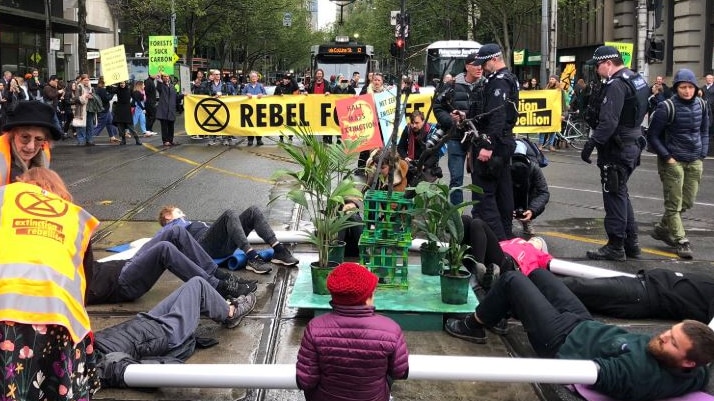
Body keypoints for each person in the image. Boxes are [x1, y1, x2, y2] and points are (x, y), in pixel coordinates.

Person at [445, 268, 714, 401]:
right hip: (585, 324)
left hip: (561, 340)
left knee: (512, 279)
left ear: (687, 361)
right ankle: (500, 310)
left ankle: (473, 325)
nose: (664, 336)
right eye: (670, 331)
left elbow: (597, 377)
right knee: (539, 274)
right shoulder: (697, 371)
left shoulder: (638, 372)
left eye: (672, 342)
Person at [0, 167, 100, 401]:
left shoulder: (5, 196)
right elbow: (86, 278)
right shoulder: (75, 216)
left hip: (6, 306)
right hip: (60, 315)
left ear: (24, 183)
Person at [93, 277, 257, 388]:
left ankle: (219, 305)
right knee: (197, 284)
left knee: (192, 285)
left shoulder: (74, 349)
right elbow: (126, 371)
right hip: (158, 334)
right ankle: (230, 313)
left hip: (144, 322)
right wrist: (175, 369)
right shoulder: (95, 366)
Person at [296, 262, 409, 401]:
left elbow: (306, 380)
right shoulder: (391, 330)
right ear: (367, 299)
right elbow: (400, 372)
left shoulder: (315, 328)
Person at [580, 45, 649, 261]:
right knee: (621, 193)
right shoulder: (635, 78)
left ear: (608, 63)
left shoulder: (616, 84)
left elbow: (609, 120)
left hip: (617, 148)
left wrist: (592, 142)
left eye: (598, 66)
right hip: (632, 143)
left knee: (613, 195)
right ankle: (632, 243)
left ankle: (616, 245)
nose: (597, 71)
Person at [86, 224, 256, 306]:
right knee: (164, 249)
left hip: (122, 266)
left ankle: (219, 274)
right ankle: (219, 287)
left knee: (175, 231)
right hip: (121, 283)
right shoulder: (65, 285)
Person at [646, 68, 709, 259]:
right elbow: (652, 136)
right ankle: (681, 240)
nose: (687, 91)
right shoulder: (666, 107)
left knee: (687, 202)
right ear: (676, 88)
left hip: (695, 159)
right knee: (674, 204)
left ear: (695, 88)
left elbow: (705, 130)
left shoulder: (702, 105)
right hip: (673, 162)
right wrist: (668, 158)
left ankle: (662, 229)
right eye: (683, 87)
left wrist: (702, 153)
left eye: (690, 87)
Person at [462, 43, 520, 240]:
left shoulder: (498, 82)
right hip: (502, 143)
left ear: (494, 60)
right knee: (503, 194)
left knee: (484, 198)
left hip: (492, 144)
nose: (482, 67)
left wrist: (487, 146)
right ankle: (507, 240)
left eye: (484, 63)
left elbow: (497, 115)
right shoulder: (505, 78)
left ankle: (498, 243)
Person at [158, 205, 299, 274]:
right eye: (178, 211)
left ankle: (278, 250)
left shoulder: (187, 223)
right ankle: (252, 257)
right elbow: (158, 243)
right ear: (168, 216)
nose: (183, 214)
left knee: (253, 211)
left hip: (218, 243)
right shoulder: (171, 227)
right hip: (203, 246)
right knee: (229, 214)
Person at [433, 53, 483, 206]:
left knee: (479, 181)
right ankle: (457, 219)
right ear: (467, 66)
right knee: (456, 180)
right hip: (456, 138)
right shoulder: (452, 86)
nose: (480, 68)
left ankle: (478, 218)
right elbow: (437, 106)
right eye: (476, 64)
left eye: (481, 65)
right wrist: (451, 121)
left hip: (478, 140)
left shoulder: (486, 85)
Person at [461, 215, 551, 291]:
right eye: (535, 239)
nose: (534, 240)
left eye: (538, 241)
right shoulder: (515, 241)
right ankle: (478, 270)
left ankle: (477, 273)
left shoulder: (539, 254)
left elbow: (554, 265)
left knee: (477, 223)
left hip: (509, 264)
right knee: (465, 220)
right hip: (491, 255)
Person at [0, 100, 62, 184]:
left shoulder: (43, 156)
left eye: (39, 139)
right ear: (12, 134)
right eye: (25, 137)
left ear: (45, 140)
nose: (31, 146)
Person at [511, 139, 550, 236]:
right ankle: (505, 222)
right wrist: (505, 208)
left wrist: (532, 210)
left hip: (527, 193)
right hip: (508, 191)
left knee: (534, 198)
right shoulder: (501, 167)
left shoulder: (534, 168)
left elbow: (544, 192)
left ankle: (526, 220)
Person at [397, 110, 442, 184]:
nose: (414, 125)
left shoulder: (433, 131)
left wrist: (424, 165)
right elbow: (400, 147)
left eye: (417, 123)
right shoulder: (408, 129)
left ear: (423, 121)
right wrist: (405, 157)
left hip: (427, 166)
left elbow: (436, 155)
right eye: (412, 123)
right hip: (411, 165)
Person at [111, 81, 142, 145]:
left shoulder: (129, 90)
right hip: (119, 109)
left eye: (123, 83)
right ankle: (123, 140)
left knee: (130, 126)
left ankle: (137, 139)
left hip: (127, 109)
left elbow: (135, 97)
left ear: (125, 84)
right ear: (119, 84)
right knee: (120, 125)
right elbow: (109, 90)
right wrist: (108, 84)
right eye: (121, 83)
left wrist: (139, 94)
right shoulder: (117, 89)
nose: (122, 84)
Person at [91, 77, 120, 142]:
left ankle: (112, 137)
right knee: (100, 125)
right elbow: (107, 98)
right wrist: (113, 93)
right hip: (103, 110)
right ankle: (90, 136)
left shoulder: (99, 89)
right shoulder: (101, 90)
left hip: (105, 109)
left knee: (110, 122)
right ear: (103, 82)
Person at [242, 71, 266, 146]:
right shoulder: (246, 86)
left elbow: (266, 95)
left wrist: (262, 95)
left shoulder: (261, 86)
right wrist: (246, 94)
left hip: (259, 108)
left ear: (257, 78)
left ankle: (259, 139)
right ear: (250, 78)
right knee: (250, 124)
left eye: (255, 77)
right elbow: (241, 95)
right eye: (252, 77)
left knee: (259, 124)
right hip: (249, 109)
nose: (254, 78)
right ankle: (250, 140)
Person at [73, 74, 96, 146]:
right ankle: (81, 141)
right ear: (82, 80)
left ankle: (89, 140)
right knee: (81, 125)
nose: (86, 81)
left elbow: (94, 96)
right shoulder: (79, 87)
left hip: (90, 108)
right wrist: (84, 96)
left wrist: (91, 96)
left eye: (88, 80)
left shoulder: (90, 87)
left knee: (90, 125)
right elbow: (76, 98)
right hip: (81, 108)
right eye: (85, 80)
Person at [157, 72, 180, 146]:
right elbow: (159, 87)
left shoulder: (172, 86)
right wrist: (159, 79)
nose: (166, 78)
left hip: (171, 110)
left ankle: (170, 140)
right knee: (164, 127)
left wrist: (184, 95)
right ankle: (165, 141)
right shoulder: (161, 85)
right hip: (163, 110)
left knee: (171, 126)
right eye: (164, 76)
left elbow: (176, 97)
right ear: (162, 78)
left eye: (167, 76)